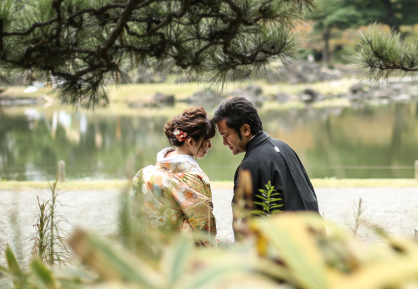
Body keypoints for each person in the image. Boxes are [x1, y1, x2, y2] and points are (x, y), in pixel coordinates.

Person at [212, 97, 319, 216]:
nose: (224, 142)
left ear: (245, 129)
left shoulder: (250, 165)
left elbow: (244, 220)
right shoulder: (284, 147)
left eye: (225, 135)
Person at [131, 107, 217, 245]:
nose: (210, 146)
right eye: (207, 140)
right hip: (180, 252)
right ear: (190, 142)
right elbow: (204, 225)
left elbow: (135, 215)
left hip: (151, 246)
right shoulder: (194, 177)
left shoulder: (144, 174)